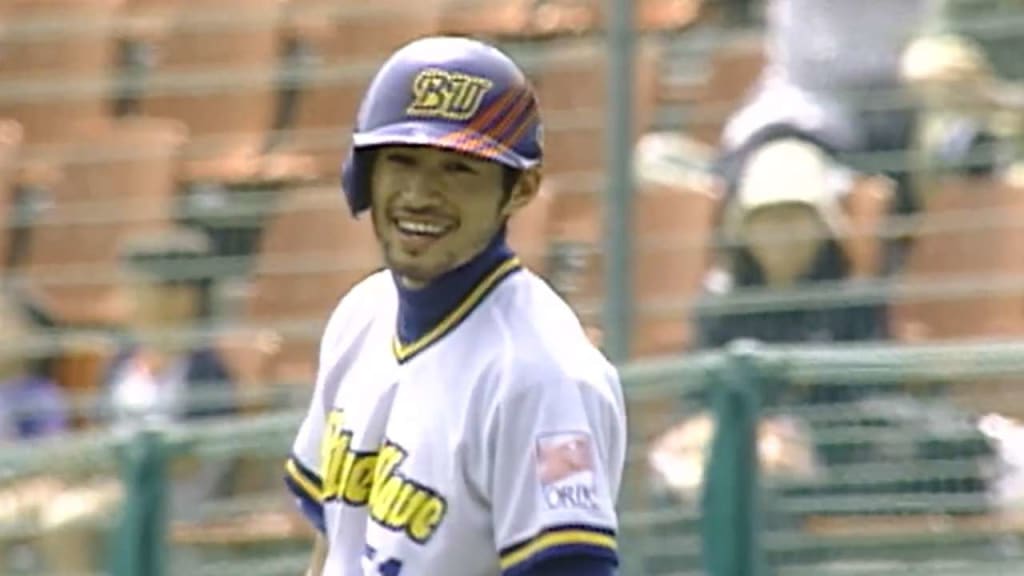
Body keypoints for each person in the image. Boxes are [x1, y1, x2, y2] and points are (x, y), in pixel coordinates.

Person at [283, 36, 627, 576]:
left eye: (458, 169)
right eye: (402, 161)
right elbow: (335, 546)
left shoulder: (543, 378)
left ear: (520, 188)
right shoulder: (361, 316)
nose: (421, 193)